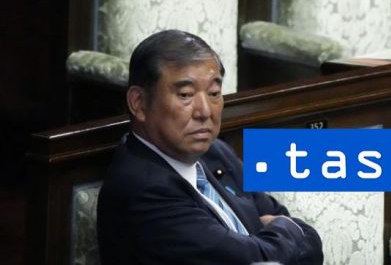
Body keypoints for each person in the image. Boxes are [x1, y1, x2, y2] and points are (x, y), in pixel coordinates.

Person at [97, 29, 323, 265]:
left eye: (214, 93)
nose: (205, 111)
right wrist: (287, 229)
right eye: (186, 95)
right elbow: (256, 261)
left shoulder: (216, 152)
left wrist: (280, 232)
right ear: (139, 103)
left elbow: (307, 240)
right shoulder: (143, 190)